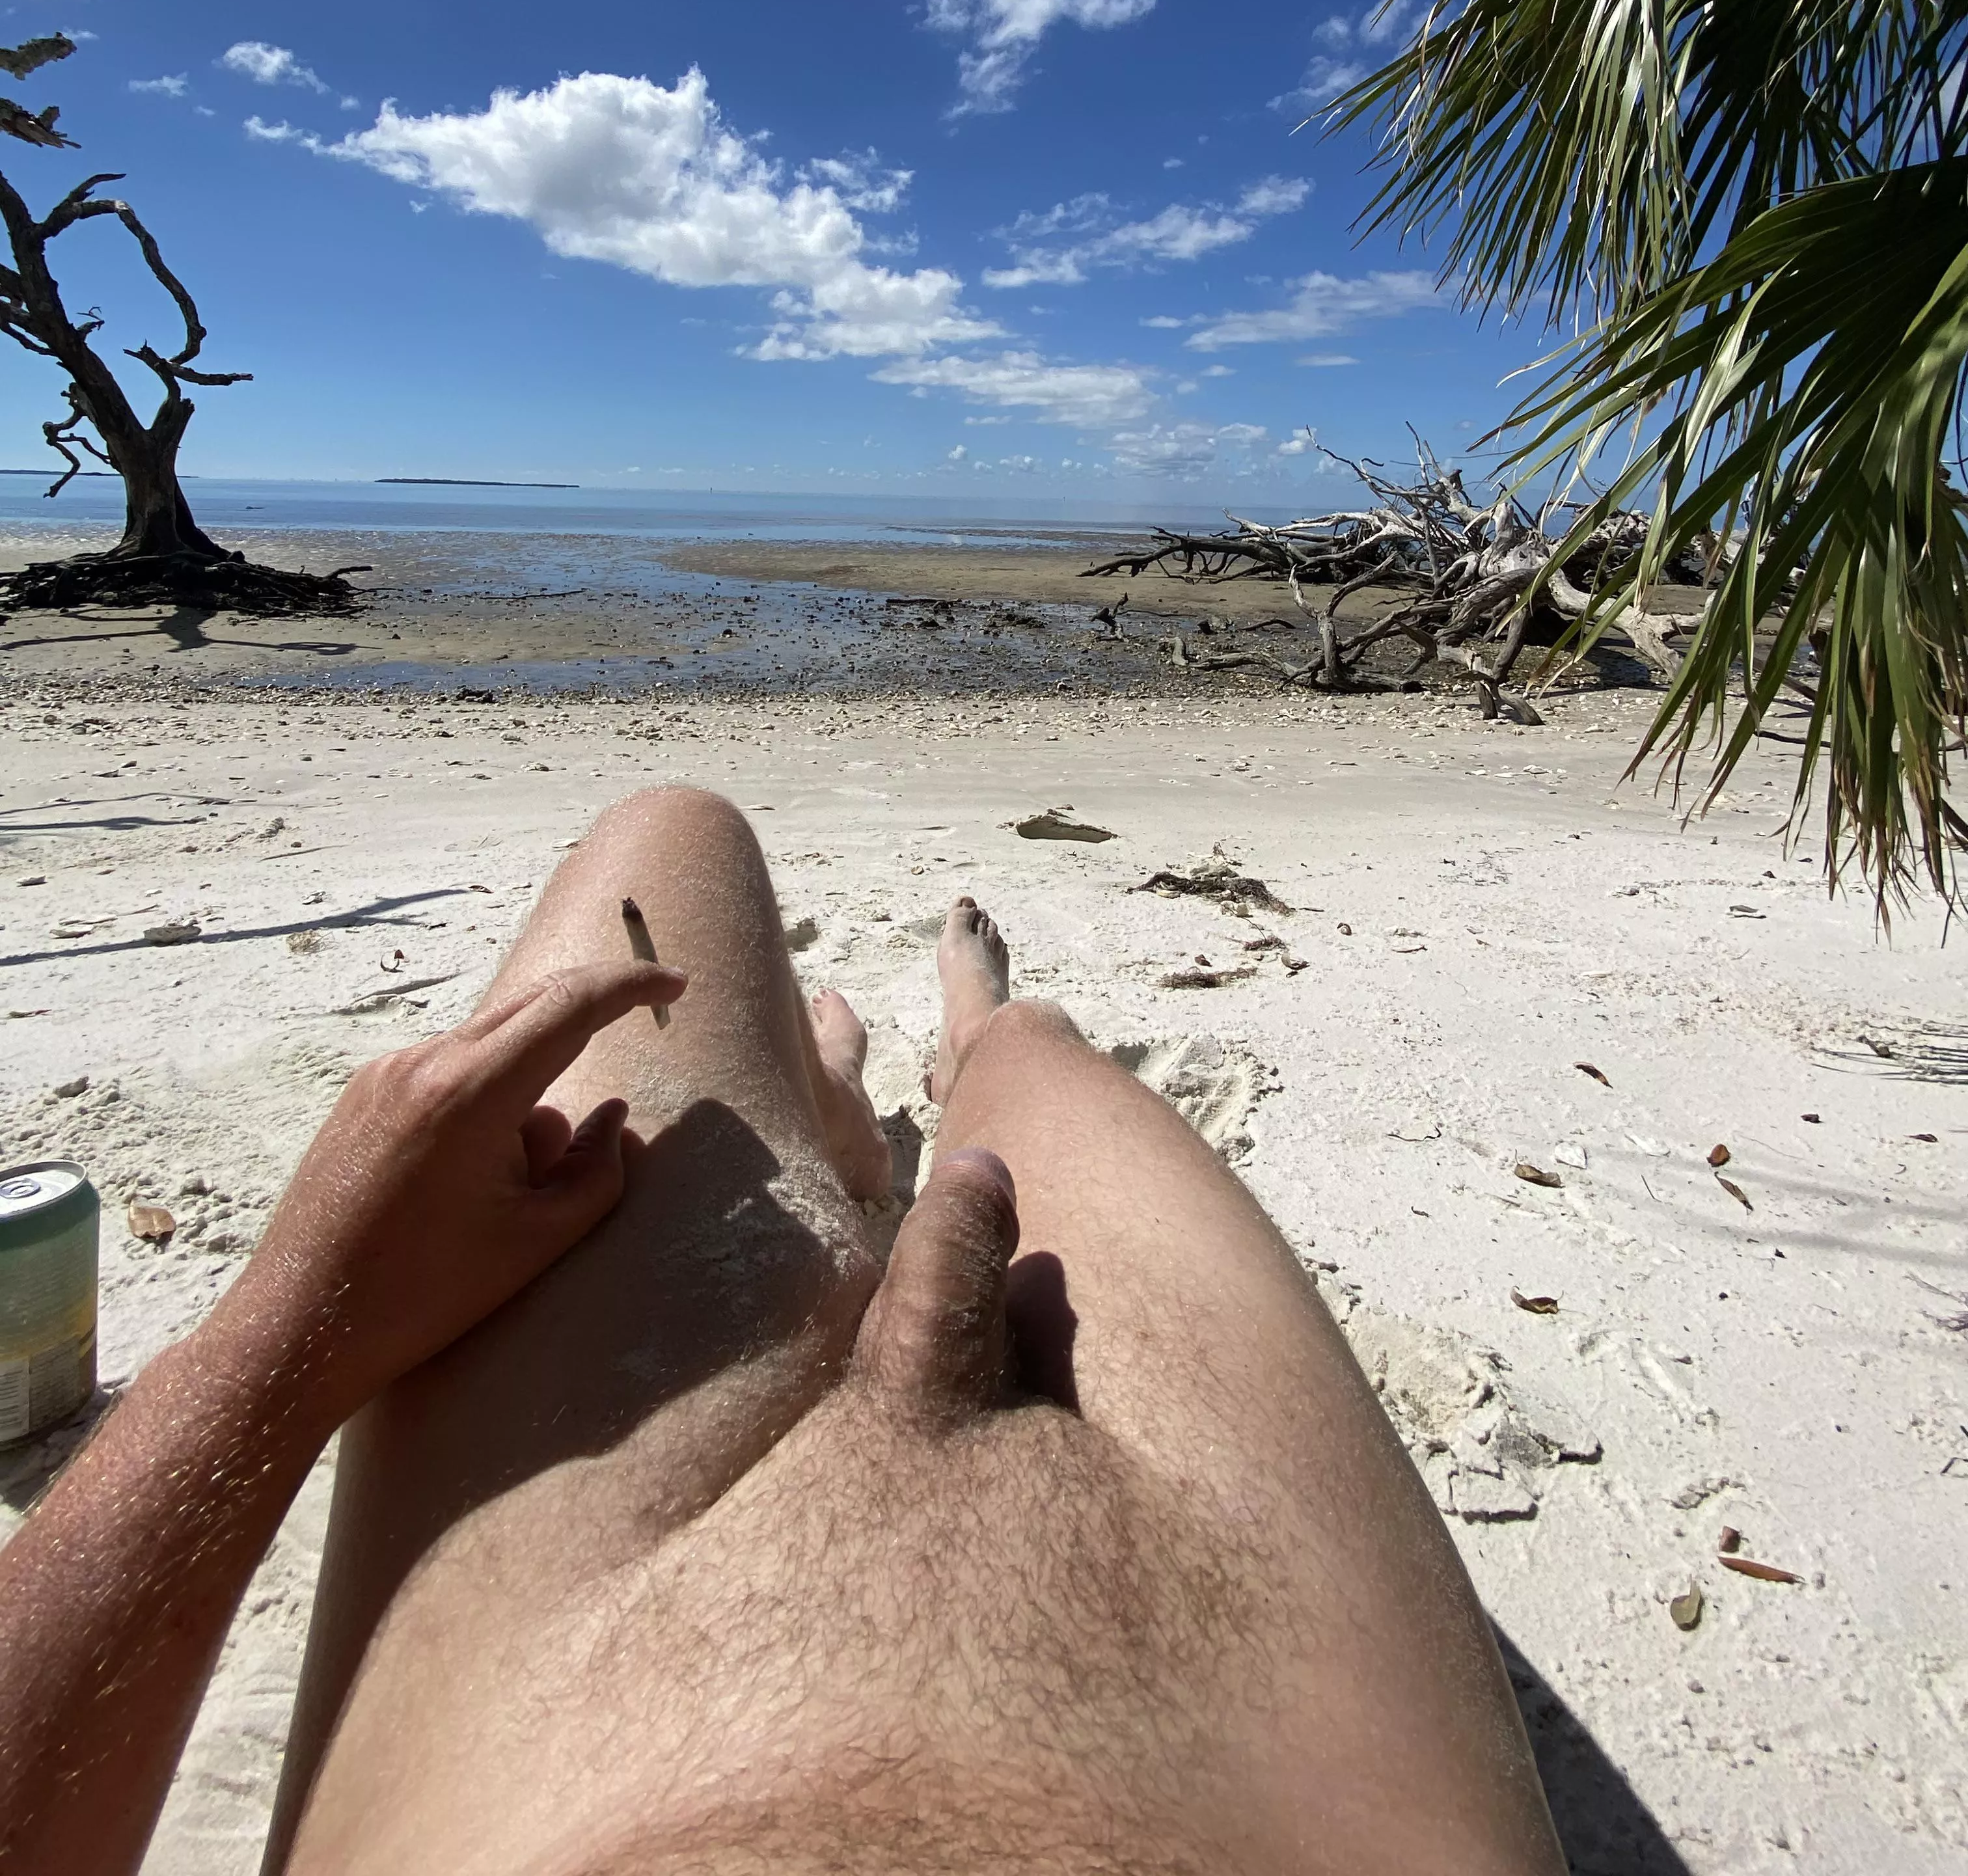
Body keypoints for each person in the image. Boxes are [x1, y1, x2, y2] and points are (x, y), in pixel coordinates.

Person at [0, 787, 1565, 1876]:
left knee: (677, 836)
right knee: (1046, 1065)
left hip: (567, 1679)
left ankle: (858, 1111)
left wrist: (298, 1320)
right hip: (1266, 1740)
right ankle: (971, 1048)